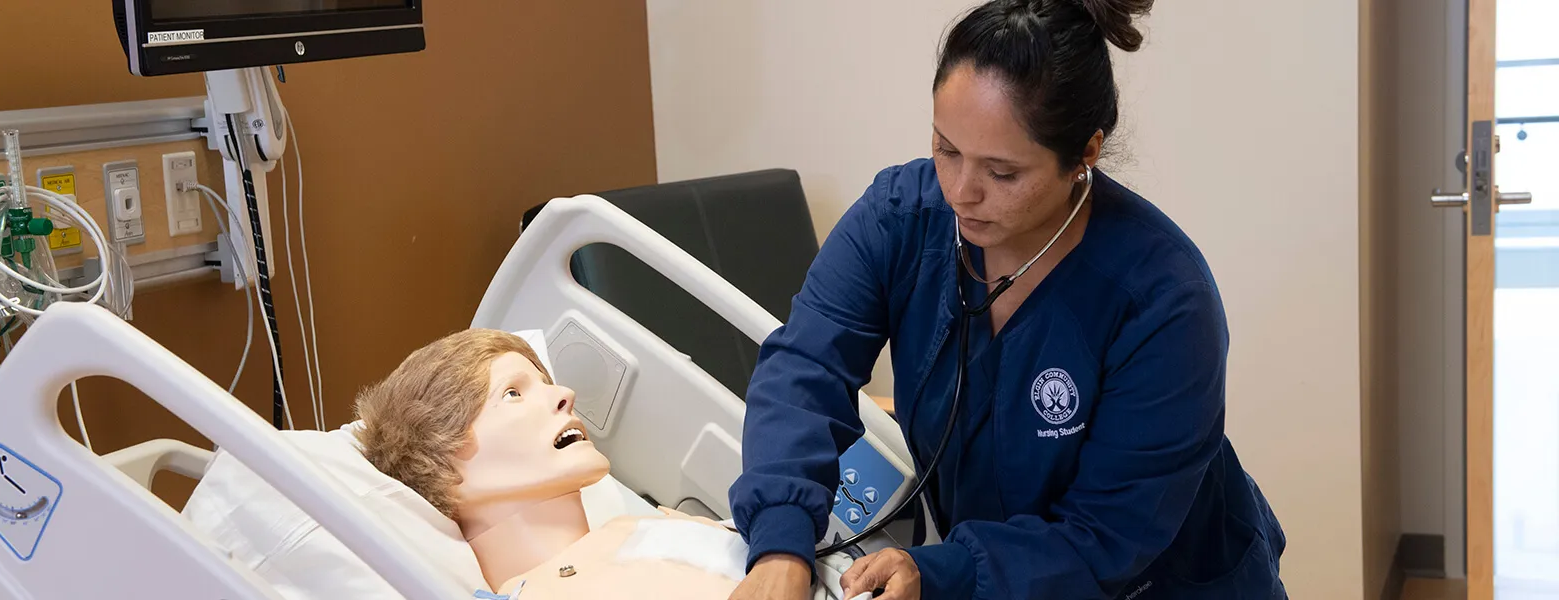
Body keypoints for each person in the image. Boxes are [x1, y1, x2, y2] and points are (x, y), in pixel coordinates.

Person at [726, 1, 1287, 599]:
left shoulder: (1162, 299)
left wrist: (945, 572)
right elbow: (805, 370)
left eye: (1002, 172)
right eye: (946, 149)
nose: (962, 193)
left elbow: (1105, 536)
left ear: (1085, 155)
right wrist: (781, 545)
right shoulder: (899, 218)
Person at [354, 329, 863, 599]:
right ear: (443, 465)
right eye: (512, 393)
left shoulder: (647, 523)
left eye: (546, 380)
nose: (564, 394)